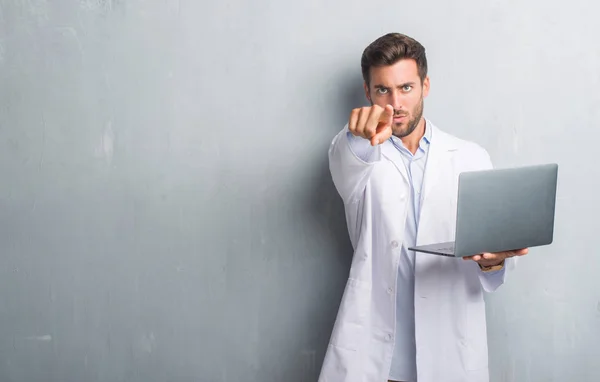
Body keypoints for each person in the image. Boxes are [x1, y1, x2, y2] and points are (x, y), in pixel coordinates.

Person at [318, 33, 529, 382]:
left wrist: (494, 263)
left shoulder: (470, 157)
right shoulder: (357, 154)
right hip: (377, 362)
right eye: (383, 90)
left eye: (406, 88)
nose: (395, 103)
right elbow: (346, 156)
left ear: (425, 86)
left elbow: (495, 246)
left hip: (449, 352)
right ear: (368, 93)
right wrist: (357, 134)